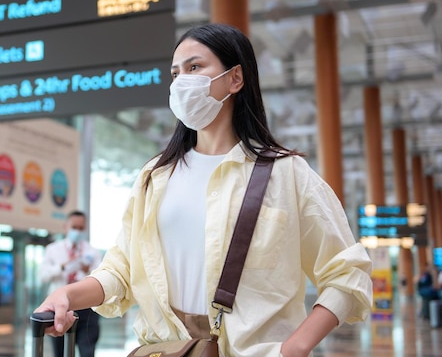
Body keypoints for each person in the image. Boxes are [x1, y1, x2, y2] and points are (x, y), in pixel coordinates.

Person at [35, 23, 373, 357]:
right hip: (167, 350)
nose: (182, 80)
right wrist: (67, 295)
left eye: (195, 67)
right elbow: (120, 270)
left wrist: (296, 347)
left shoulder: (287, 175)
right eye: (175, 72)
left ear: (235, 78)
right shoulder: (155, 176)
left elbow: (346, 271)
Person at [39, 210, 102, 357]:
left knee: (88, 351)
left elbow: (100, 278)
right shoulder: (53, 250)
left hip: (86, 307)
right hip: (60, 307)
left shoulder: (92, 252)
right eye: (74, 227)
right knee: (60, 351)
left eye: (81, 228)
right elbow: (43, 276)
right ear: (66, 226)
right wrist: (61, 267)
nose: (77, 231)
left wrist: (88, 270)